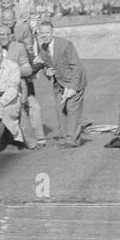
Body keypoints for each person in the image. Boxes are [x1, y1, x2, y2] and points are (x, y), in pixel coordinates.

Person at [33, 20, 86, 148]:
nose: (44, 35)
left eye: (47, 33)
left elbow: (76, 68)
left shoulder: (66, 45)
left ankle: (72, 140)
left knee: (72, 110)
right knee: (60, 110)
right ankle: (64, 138)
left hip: (74, 80)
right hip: (59, 83)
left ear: (52, 33)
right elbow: (45, 65)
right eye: (41, 33)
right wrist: (47, 72)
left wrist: (73, 88)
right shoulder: (43, 47)